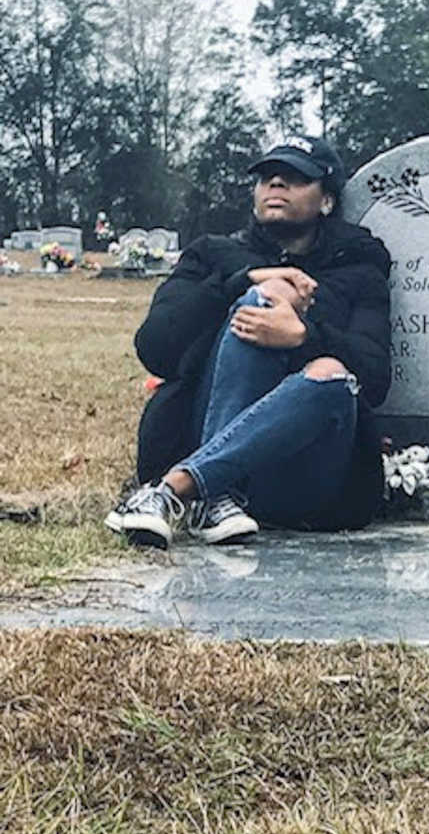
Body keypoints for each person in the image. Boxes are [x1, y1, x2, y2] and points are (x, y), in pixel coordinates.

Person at [105, 136, 392, 548]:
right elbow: (157, 350)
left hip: (306, 472)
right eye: (266, 177)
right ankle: (216, 494)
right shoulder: (211, 256)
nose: (276, 183)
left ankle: (182, 489)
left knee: (331, 374)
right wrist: (239, 285)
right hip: (200, 431)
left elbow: (376, 377)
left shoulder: (359, 271)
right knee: (264, 297)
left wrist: (303, 337)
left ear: (326, 201)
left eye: (295, 177)